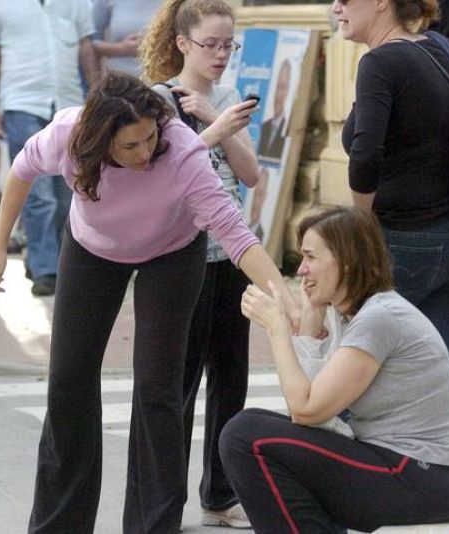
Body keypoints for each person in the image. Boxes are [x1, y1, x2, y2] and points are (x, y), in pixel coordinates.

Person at [0, 72, 298, 533]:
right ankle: (58, 524)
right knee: (68, 381)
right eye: (130, 146)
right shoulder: (68, 133)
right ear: (100, 139)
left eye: (150, 137)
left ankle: (153, 525)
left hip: (171, 252)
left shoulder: (183, 152)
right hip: (92, 249)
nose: (145, 152)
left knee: (158, 387)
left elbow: (236, 236)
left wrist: (283, 298)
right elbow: (22, 170)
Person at [338, 0, 449, 479]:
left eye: (344, 0)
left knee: (352, 363)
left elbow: (365, 157)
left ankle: (319, 470)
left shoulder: (380, 62)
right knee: (437, 366)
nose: (335, 8)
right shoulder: (441, 48)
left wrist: (360, 231)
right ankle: (442, 478)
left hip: (400, 242)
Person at [221, 206, 449, 533]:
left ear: (346, 262)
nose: (302, 270)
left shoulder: (380, 318)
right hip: (391, 464)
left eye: (311, 257)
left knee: (244, 438)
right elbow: (310, 413)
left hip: (418, 478)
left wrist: (279, 329)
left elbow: (306, 409)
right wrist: (309, 323)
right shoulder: (347, 312)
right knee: (248, 423)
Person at [139, 0, 261, 527]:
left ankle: (221, 493)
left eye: (228, 45)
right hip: (181, 254)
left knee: (230, 377)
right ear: (183, 43)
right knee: (179, 381)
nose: (220, 55)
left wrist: (217, 118)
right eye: (210, 44)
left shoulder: (227, 97)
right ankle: (165, 502)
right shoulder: (157, 100)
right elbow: (153, 180)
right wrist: (207, 128)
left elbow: (252, 175)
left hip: (232, 250)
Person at [0, 0, 99, 296]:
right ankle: (47, 269)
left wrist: (98, 95)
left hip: (68, 102)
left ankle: (46, 259)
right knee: (37, 192)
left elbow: (86, 46)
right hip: (20, 101)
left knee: (66, 191)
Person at [91, 0, 162, 76]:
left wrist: (156, 44)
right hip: (119, 82)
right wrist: (121, 48)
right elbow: (89, 45)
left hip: (161, 82)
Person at [257, 59, 292, 162]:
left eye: (282, 87)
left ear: (288, 90)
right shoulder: (263, 127)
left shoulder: (289, 129)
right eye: (277, 87)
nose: (277, 95)